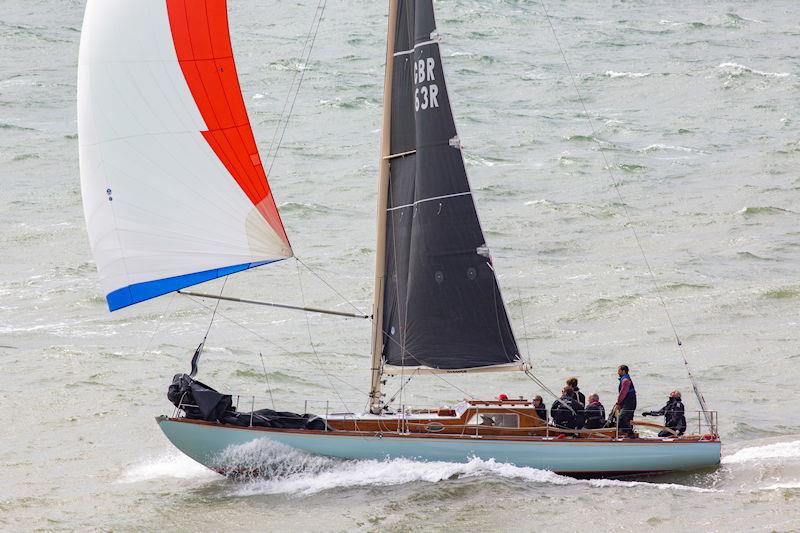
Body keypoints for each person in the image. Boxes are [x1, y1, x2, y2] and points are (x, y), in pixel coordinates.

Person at [614, 365, 637, 437]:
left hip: (629, 402)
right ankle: (628, 436)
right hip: (628, 402)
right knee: (628, 418)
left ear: (623, 371)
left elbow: (623, 393)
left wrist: (618, 403)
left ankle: (630, 433)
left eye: (619, 370)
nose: (617, 372)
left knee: (621, 418)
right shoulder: (624, 379)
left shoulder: (625, 380)